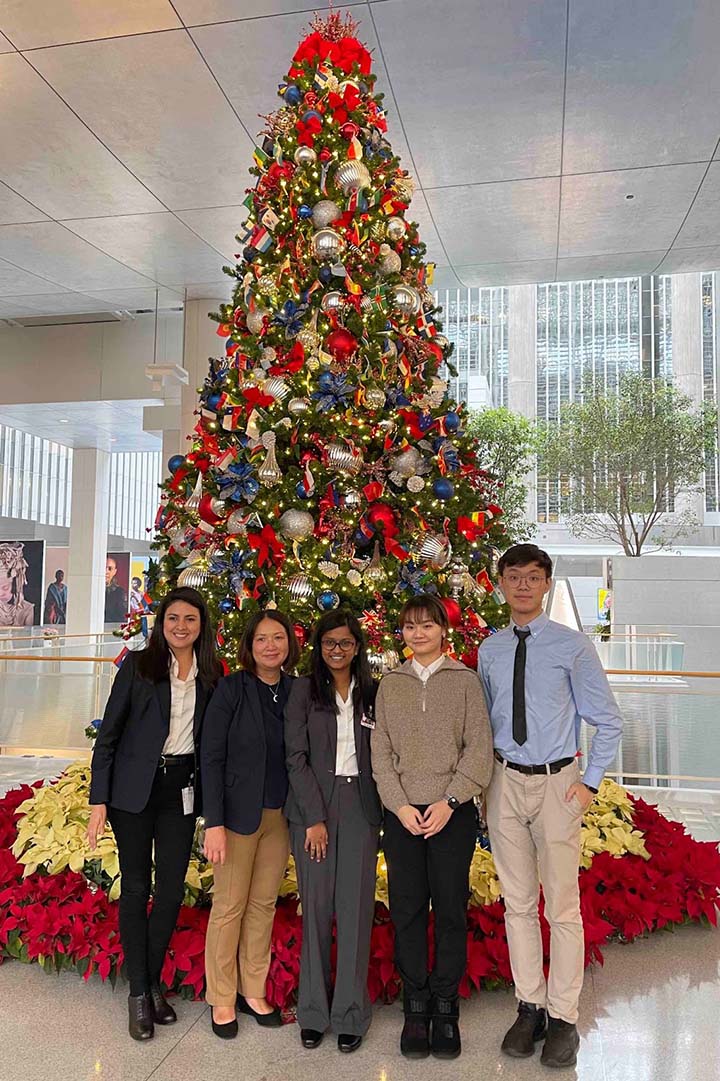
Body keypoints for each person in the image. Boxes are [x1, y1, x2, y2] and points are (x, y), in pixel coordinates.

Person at [478, 544, 623, 1069]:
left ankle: (563, 1016)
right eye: (513, 577)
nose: (522, 586)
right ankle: (529, 1006)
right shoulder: (489, 650)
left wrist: (588, 783)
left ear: (546, 584)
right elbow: (484, 722)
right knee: (517, 903)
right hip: (503, 782)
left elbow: (606, 720)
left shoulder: (572, 646)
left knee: (562, 905)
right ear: (500, 583)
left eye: (532, 578)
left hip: (557, 783)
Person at [87, 587, 222, 1041]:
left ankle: (148, 984)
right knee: (137, 888)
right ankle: (141, 994)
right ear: (161, 623)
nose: (181, 627)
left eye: (190, 619)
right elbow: (109, 734)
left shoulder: (212, 673)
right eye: (173, 619)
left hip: (181, 788)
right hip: (133, 790)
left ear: (202, 625)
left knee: (168, 892)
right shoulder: (139, 666)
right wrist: (98, 800)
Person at [372, 594, 493, 1060]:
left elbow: (479, 749)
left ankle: (445, 1004)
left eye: (427, 626)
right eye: (409, 626)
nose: (418, 633)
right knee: (405, 908)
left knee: (448, 909)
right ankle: (415, 1003)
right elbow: (379, 752)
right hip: (402, 815)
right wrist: (400, 806)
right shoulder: (390, 684)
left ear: (444, 629)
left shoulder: (464, 681)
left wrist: (449, 800)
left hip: (451, 813)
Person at [284, 610, 382, 1054]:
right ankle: (313, 1013)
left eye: (345, 643)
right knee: (318, 909)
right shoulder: (303, 691)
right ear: (319, 647)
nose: (337, 651)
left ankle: (349, 1014)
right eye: (329, 644)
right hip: (314, 810)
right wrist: (314, 818)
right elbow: (295, 757)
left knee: (355, 909)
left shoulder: (373, 692)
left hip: (361, 808)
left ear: (357, 647)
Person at [201, 610, 300, 1040]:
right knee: (229, 907)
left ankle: (252, 989)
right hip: (238, 818)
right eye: (262, 639)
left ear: (289, 645)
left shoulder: (297, 691)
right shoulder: (232, 690)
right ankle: (222, 996)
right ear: (250, 645)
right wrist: (214, 823)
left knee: (262, 904)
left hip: (281, 816)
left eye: (278, 638)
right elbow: (211, 757)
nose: (270, 646)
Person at [0, 542, 35, 627]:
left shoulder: (27, 609)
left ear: (16, 585)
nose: (0, 593)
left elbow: (28, 638)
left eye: (5, 588)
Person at [105, 555, 128, 623]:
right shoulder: (90, 589)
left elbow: (122, 616)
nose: (106, 572)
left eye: (110, 568)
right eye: (104, 568)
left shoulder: (119, 592)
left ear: (115, 572)